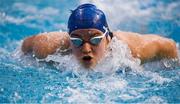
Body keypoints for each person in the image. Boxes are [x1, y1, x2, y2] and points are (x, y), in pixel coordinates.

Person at [21, 4, 178, 68]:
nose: (86, 48)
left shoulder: (132, 50)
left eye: (95, 39)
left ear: (107, 39)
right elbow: (24, 45)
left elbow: (169, 46)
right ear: (69, 41)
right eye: (77, 40)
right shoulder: (47, 47)